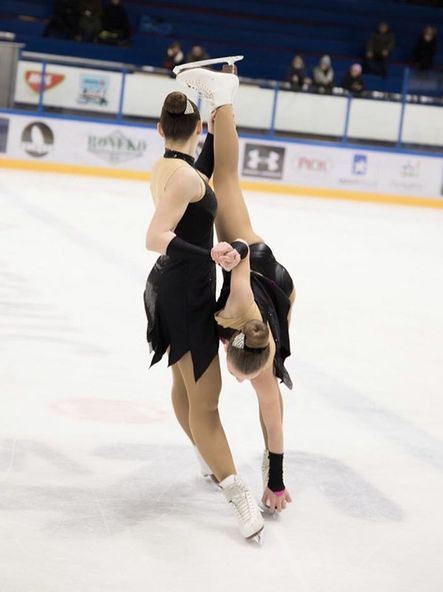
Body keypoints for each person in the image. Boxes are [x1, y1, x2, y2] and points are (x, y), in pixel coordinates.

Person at [143, 85, 264, 541]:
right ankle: (236, 492)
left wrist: (216, 101)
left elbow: (206, 164)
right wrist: (208, 254)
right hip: (185, 290)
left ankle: (203, 455)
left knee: (183, 380)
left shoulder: (172, 168)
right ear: (194, 128)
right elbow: (155, 235)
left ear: (160, 130)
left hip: (173, 287)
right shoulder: (187, 179)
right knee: (207, 399)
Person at [177, 65, 294, 514]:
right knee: (224, 180)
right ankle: (223, 98)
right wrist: (236, 248)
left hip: (274, 307)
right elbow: (243, 258)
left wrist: (277, 481)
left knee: (273, 395)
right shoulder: (240, 306)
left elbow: (271, 409)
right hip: (261, 267)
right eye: (240, 373)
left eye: (242, 375)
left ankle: (220, 101)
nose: (239, 379)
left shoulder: (259, 361)